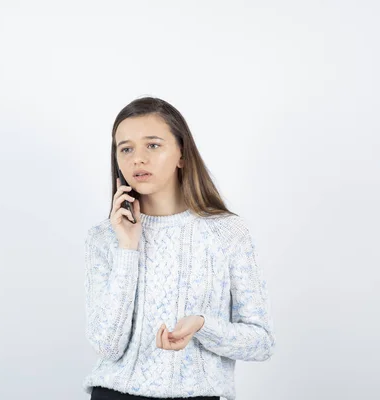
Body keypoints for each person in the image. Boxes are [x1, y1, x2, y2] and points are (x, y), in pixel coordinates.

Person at [82, 97, 276, 400]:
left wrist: (202, 326)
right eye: (126, 148)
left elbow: (261, 342)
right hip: (115, 393)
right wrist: (128, 248)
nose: (138, 159)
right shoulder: (105, 238)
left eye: (153, 145)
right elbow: (107, 346)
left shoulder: (228, 233)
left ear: (181, 155)